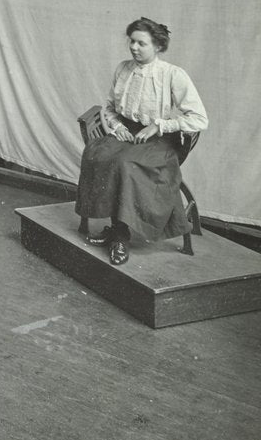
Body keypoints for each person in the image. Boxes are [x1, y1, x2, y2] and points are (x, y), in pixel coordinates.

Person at [76, 17, 208, 266]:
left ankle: (120, 236)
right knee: (97, 153)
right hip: (127, 134)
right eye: (132, 42)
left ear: (158, 45)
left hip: (161, 140)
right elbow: (110, 108)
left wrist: (159, 125)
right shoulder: (123, 69)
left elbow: (199, 119)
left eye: (141, 43)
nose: (134, 48)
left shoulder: (172, 75)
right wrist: (115, 126)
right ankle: (115, 227)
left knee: (125, 164)